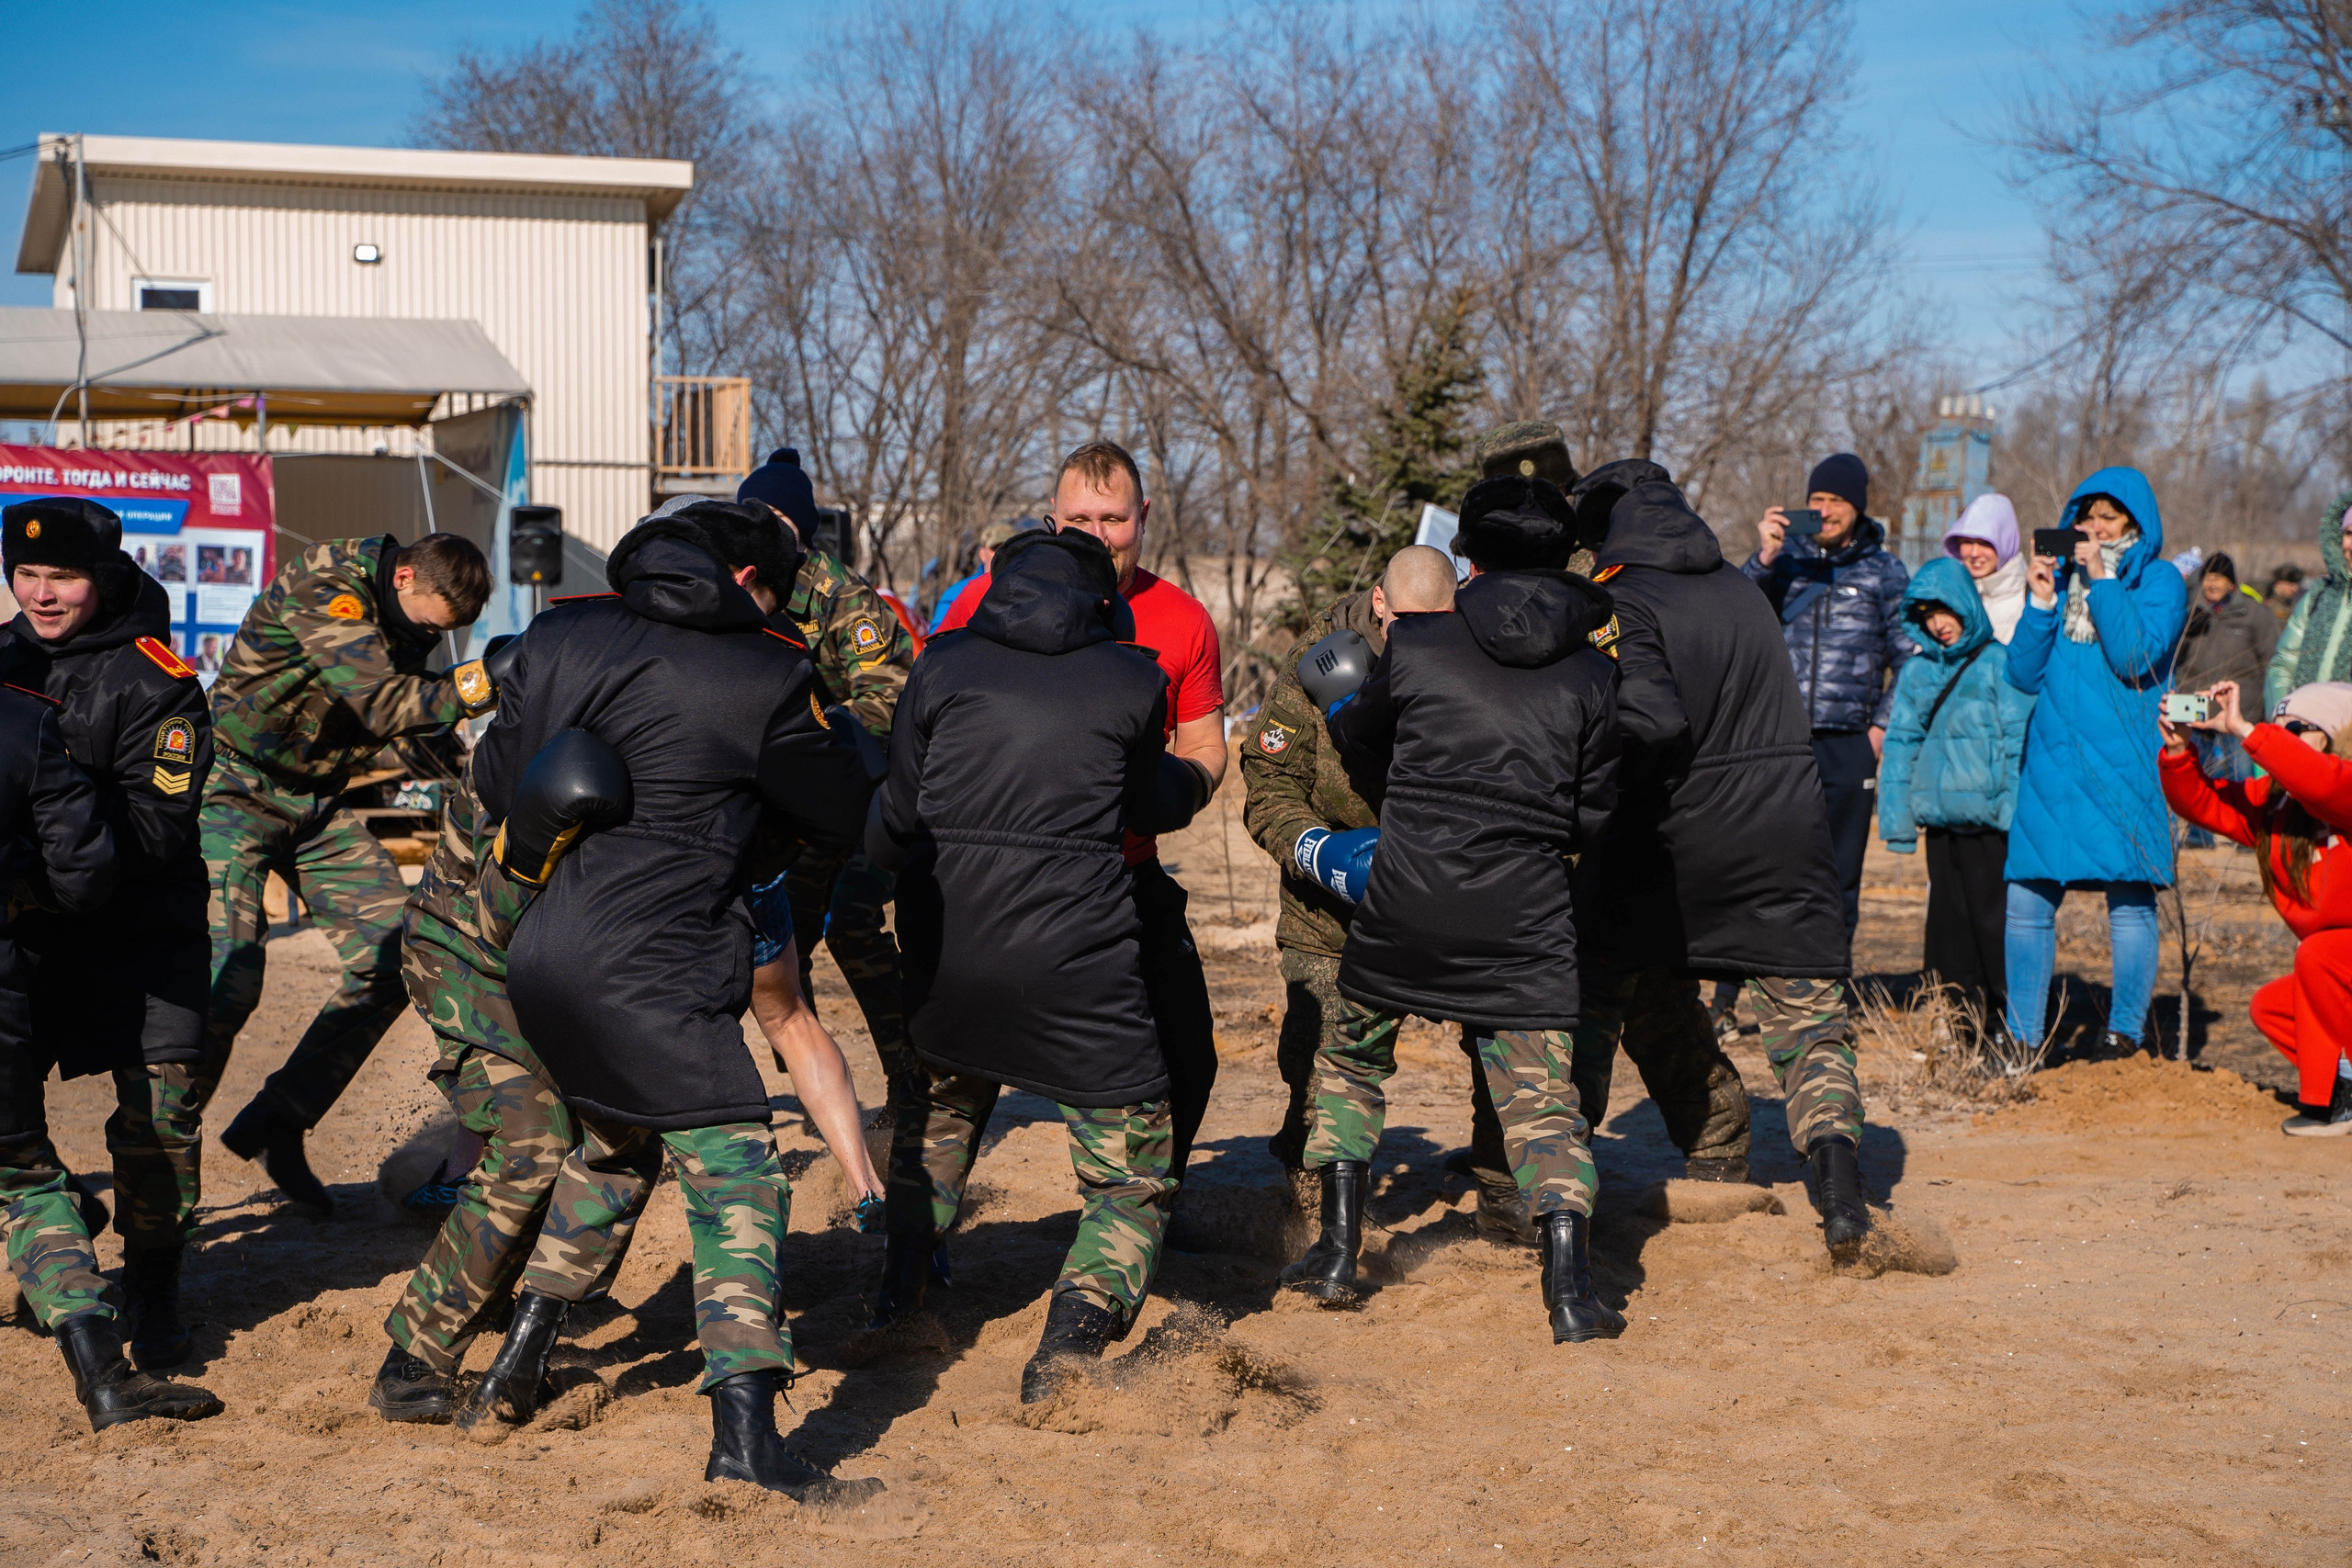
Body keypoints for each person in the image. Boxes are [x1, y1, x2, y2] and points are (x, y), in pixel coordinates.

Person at [474, 500, 880, 1502]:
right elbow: (842, 811)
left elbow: (494, 779)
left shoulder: (562, 630)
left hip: (540, 949)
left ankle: (514, 1364)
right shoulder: (767, 670)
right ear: (749, 583)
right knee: (739, 1178)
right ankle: (746, 1438)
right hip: (653, 963)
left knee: (613, 1148)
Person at [1285, 475, 1623, 1342]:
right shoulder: (1594, 670)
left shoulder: (1423, 645)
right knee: (1546, 1105)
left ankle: (1335, 1253)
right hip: (1525, 915)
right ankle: (1572, 1295)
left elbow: (1359, 734)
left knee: (1352, 1064)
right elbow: (1594, 813)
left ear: (1469, 556)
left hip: (1407, 896)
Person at [870, 526, 1204, 1398]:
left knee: (940, 1118)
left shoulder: (941, 665)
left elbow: (896, 814)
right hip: (1077, 965)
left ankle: (893, 1293)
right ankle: (1069, 1343)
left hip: (949, 949)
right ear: (1104, 599)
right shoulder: (1133, 676)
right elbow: (1148, 803)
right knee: (1132, 1172)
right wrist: (1196, 779)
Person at [1564, 461, 1868, 1258]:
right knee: (1809, 1024)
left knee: (1591, 991)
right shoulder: (1738, 586)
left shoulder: (1623, 596)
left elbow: (1652, 720)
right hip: (1787, 835)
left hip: (1675, 839)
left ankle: (1551, 1180)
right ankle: (1842, 1196)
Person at [933, 443, 1226, 1187]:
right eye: (1080, 517)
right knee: (953, 1076)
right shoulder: (977, 604)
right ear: (1050, 519)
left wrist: (1168, 792)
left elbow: (1203, 744)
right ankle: (916, 1242)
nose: (1098, 534)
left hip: (1123, 876)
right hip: (986, 879)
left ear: (1145, 517)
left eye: (1115, 518)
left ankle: (1152, 1204)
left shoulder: (1183, 619)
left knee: (1188, 1054)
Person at [200, 531, 495, 1214]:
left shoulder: (407, 608)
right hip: (234, 790)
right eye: (429, 623)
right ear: (402, 578)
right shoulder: (328, 584)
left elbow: (415, 720)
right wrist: (485, 679)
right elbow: (383, 703)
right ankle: (159, 1165)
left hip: (313, 802)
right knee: (227, 977)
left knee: (397, 956)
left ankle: (281, 1117)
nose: (430, 636)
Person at [1241, 547, 1529, 1233]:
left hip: (1452, 887)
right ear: (1379, 605)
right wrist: (1317, 849)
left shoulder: (1480, 654)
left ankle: (1502, 1191)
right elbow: (1268, 781)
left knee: (1504, 1046)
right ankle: (1315, 1206)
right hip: (1335, 910)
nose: (1426, 642)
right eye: (1409, 624)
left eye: (1440, 624)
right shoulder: (1318, 658)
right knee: (1320, 1053)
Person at [0, 499, 217, 1373]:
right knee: (12, 1124)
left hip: (142, 938)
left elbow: (156, 828)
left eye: (65, 577)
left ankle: (157, 1292)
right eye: (27, 574)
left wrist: (38, 856)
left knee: (158, 1123)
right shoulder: (3, 659)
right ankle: (59, 1225)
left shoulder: (156, 678)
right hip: (32, 945)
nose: (43, 594)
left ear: (102, 576)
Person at [2007, 468, 2188, 1059]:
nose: (2093, 528)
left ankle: (2124, 1034)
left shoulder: (2158, 580)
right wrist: (2039, 601)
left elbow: (2137, 655)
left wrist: (2103, 579)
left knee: (2131, 899)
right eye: (2086, 517)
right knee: (2027, 900)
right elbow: (2022, 674)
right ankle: (2022, 1039)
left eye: (2108, 517)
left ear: (2135, 523)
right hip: (2053, 766)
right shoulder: (2059, 584)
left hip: (2124, 764)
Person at [2162, 679, 2352, 1134]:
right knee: (2275, 1006)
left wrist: (2248, 731)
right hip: (2337, 963)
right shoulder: (2278, 805)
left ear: (2333, 734)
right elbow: (2205, 804)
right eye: (2276, 727)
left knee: (2319, 955)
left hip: (2335, 957)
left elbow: (2322, 784)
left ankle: (2340, 1099)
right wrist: (2177, 750)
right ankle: (2335, 1087)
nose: (2281, 738)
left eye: (2297, 728)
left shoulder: (2342, 787)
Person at [1744, 454, 1913, 953]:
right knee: (1766, 868)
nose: (1823, 510)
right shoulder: (1783, 562)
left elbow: (1909, 660)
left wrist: (1876, 736)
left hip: (1849, 745)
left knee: (1839, 878)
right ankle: (1739, 996)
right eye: (1815, 500)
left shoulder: (1885, 571)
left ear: (1857, 507)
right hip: (1782, 741)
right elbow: (1736, 619)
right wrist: (1765, 558)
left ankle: (1828, 995)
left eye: (1835, 500)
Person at [1877, 557, 2035, 1041]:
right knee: (1949, 931)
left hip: (1991, 825)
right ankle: (1962, 1028)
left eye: (1945, 611)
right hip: (1941, 824)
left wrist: (2011, 811)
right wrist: (1898, 822)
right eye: (1926, 614)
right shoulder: (1917, 672)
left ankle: (2004, 1027)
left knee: (1993, 928)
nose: (1936, 624)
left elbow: (2017, 740)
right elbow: (1900, 743)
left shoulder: (2000, 664)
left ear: (1966, 606)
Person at [2174, 552, 2278, 815]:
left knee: (2240, 770)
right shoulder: (2188, 612)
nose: (2212, 584)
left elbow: (2272, 660)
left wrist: (2270, 704)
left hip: (2239, 703)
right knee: (2197, 768)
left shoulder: (2253, 614)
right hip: (2194, 699)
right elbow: (2174, 656)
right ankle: (2199, 833)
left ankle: (2247, 824)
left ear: (2231, 583)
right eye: (2208, 577)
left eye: (2219, 578)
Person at [2265, 493, 2352, 716]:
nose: (2349, 544)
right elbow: (2284, 664)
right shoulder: (2318, 595)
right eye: (2348, 533)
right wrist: (2283, 717)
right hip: (2302, 736)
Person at [1941, 492, 2029, 644]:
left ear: (2005, 543)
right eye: (1967, 542)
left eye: (1985, 543)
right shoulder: (1947, 595)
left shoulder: (2030, 598)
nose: (1975, 553)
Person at [928, 519, 1023, 634]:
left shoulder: (1029, 589)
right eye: (996, 549)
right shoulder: (956, 593)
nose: (1002, 554)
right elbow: (936, 641)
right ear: (982, 554)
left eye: (1009, 548)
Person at [2266, 562, 2306, 627]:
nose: (2295, 588)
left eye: (2297, 584)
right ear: (2278, 583)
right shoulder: (2263, 602)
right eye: (2291, 584)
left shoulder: (2294, 606)